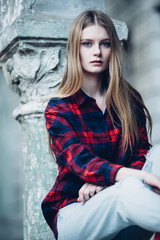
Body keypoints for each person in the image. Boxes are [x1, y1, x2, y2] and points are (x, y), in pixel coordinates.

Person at [41, 10, 160, 240]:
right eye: (87, 43)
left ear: (112, 49)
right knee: (127, 191)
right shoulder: (59, 108)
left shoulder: (128, 98)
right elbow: (80, 162)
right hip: (75, 210)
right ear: (75, 49)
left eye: (104, 44)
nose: (97, 52)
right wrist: (128, 178)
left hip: (127, 199)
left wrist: (110, 183)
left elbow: (141, 153)